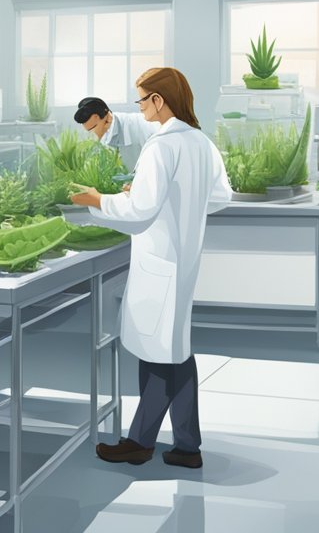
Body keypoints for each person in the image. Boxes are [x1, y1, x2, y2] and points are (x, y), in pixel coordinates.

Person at [70, 68, 231, 470]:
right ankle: (188, 447)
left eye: (142, 99)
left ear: (159, 100)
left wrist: (97, 200)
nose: (139, 107)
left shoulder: (161, 147)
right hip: (183, 257)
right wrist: (177, 203)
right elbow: (220, 196)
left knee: (158, 352)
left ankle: (139, 442)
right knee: (175, 349)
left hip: (160, 261)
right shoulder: (199, 142)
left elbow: (140, 210)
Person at [74, 95, 158, 168]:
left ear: (107, 118)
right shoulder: (104, 136)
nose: (91, 134)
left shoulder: (142, 124)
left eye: (92, 128)